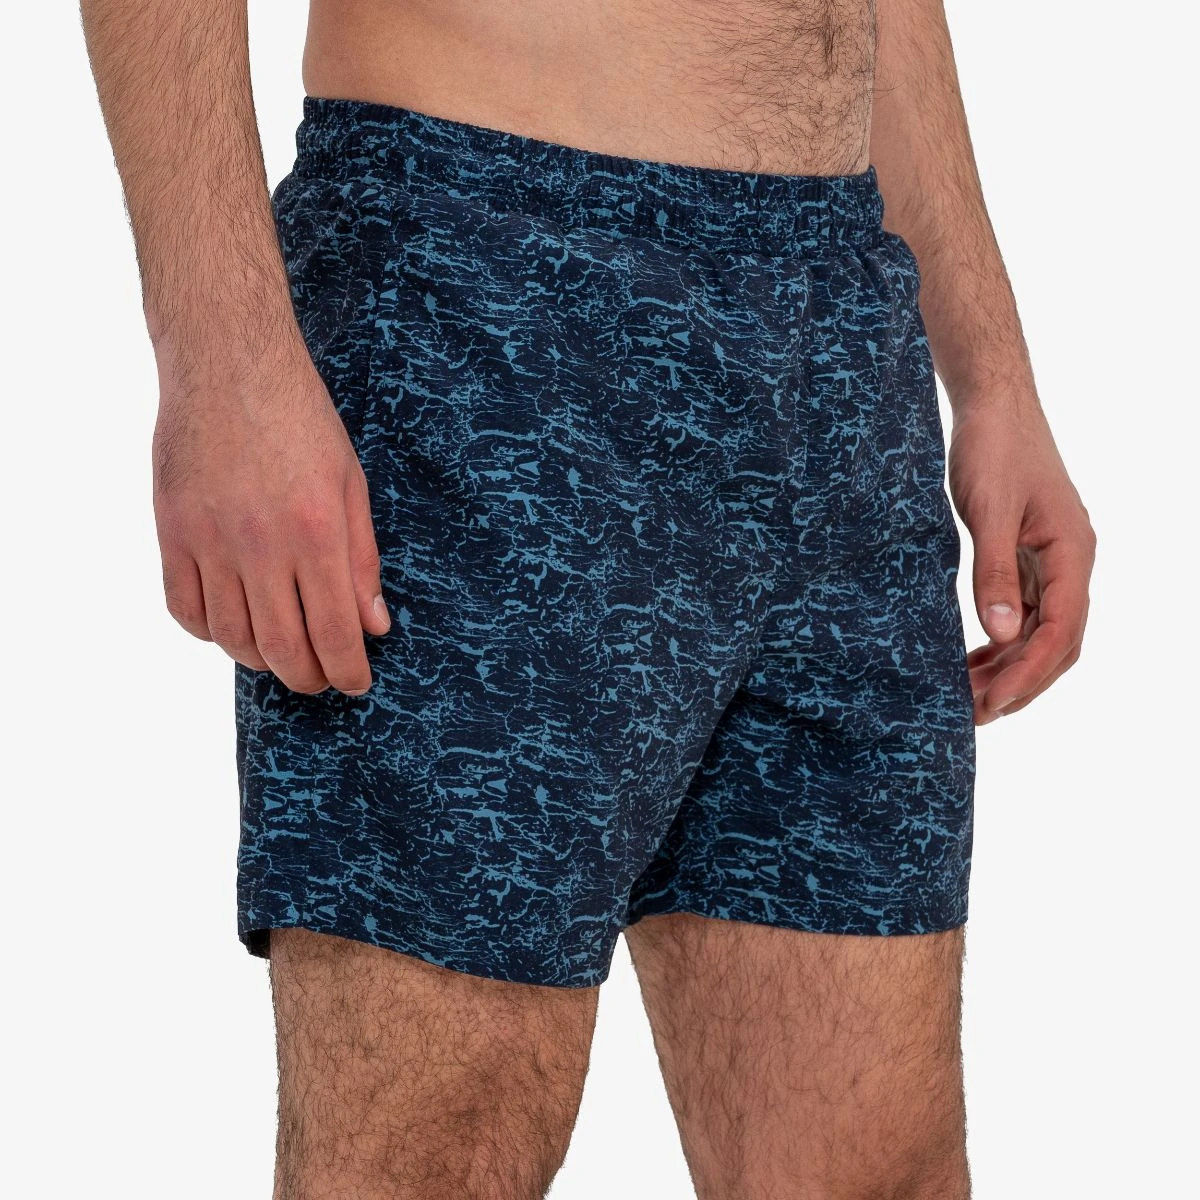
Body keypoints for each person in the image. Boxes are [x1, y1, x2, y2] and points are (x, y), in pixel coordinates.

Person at [82, 0, 1095, 1194]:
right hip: (489, 286)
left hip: (841, 325)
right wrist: (222, 361)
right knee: (437, 1154)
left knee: (882, 1171)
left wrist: (992, 373)